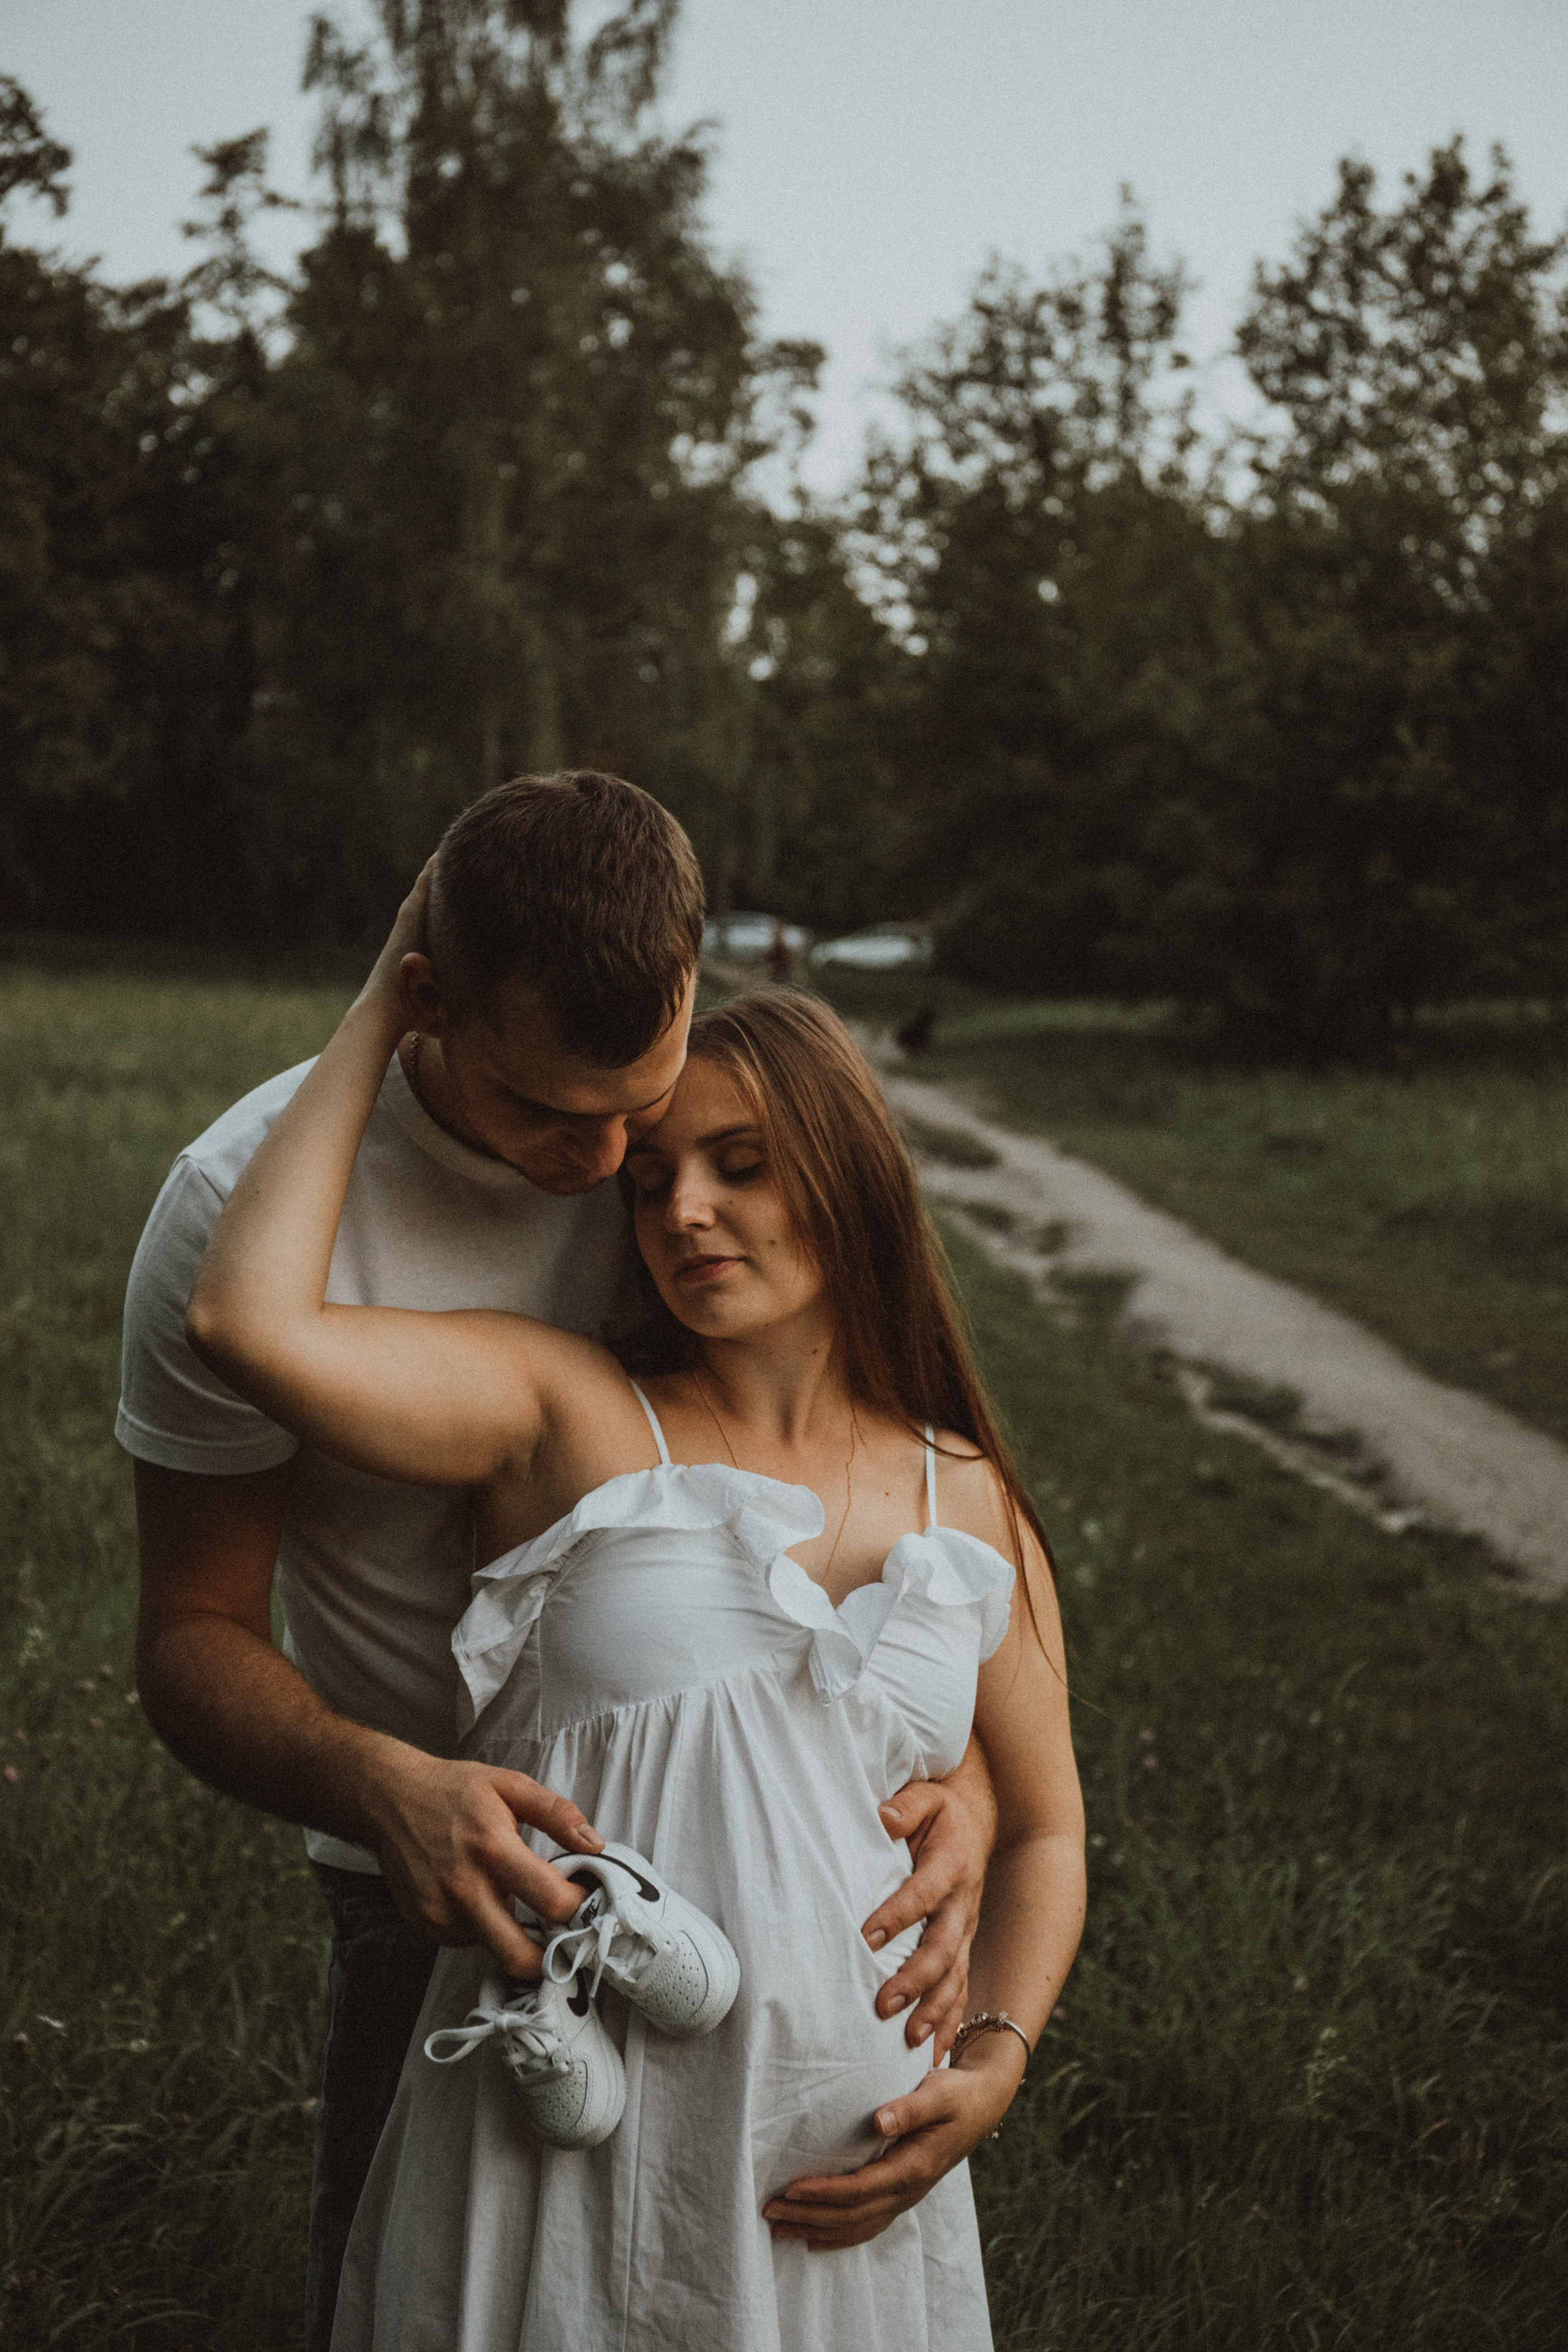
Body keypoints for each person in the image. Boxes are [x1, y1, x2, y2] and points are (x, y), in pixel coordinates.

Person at [118, 773, 997, 2350]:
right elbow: (188, 1634)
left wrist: (969, 1774)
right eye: (547, 1114)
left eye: (637, 1104)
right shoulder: (236, 1218)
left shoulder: (696, 1163)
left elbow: (866, 1476)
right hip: (458, 1897)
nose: (614, 1171)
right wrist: (382, 1783)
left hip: (797, 1902)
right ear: (427, 1004)